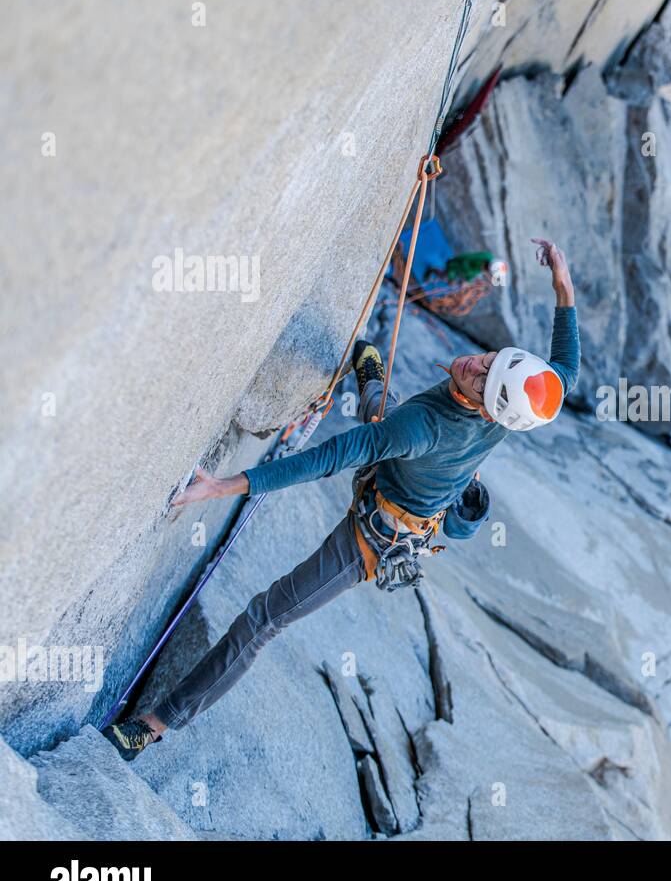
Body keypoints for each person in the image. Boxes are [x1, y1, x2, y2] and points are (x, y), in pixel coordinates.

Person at [104, 238, 579, 761]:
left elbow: (330, 456)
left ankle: (152, 727)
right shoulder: (514, 404)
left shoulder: (422, 427)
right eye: (491, 359)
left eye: (485, 379)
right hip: (406, 473)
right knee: (382, 413)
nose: (476, 364)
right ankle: (372, 378)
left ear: (490, 409)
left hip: (372, 540)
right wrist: (561, 282)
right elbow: (566, 369)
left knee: (264, 618)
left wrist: (224, 485)